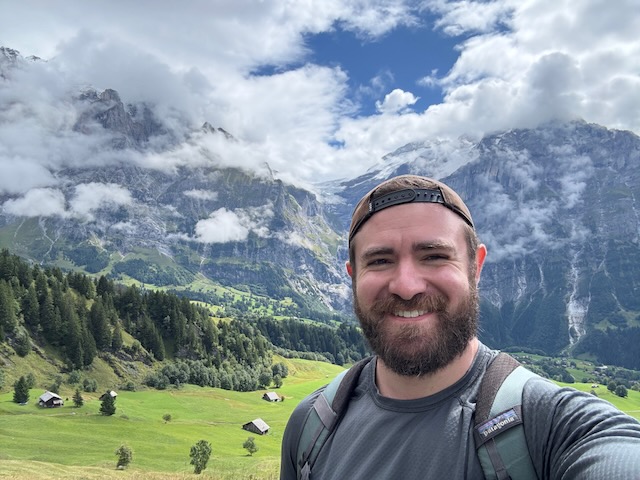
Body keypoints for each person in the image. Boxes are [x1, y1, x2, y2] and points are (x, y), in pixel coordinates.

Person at [280, 174, 640, 479]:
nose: (407, 286)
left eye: (434, 256)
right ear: (353, 277)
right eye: (380, 260)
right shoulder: (310, 425)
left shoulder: (553, 426)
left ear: (476, 267)